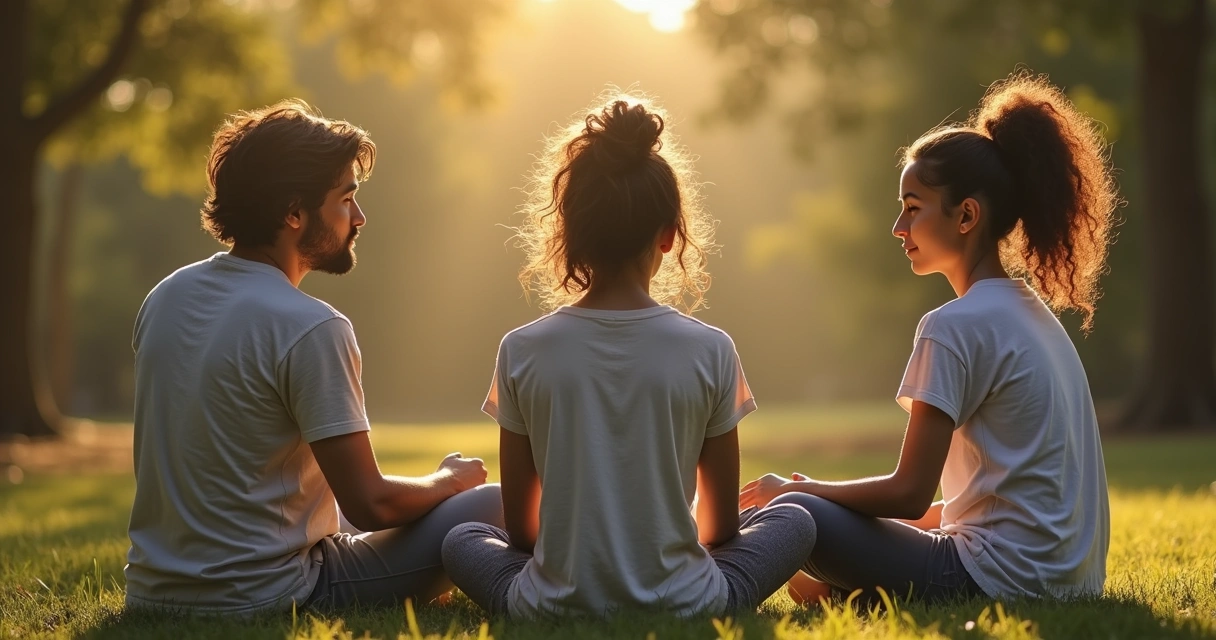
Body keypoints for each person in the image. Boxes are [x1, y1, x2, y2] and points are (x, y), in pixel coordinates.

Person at [740, 71, 1117, 605]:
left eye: (913, 208)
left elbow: (908, 491)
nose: (898, 227)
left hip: (994, 581)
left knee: (794, 516)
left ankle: (718, 585)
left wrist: (801, 493)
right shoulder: (1035, 317)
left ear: (966, 215)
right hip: (1066, 583)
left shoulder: (953, 326)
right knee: (812, 531)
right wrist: (830, 499)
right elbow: (960, 507)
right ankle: (844, 592)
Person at [440, 95, 817, 619]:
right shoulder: (712, 349)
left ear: (570, 232)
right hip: (690, 602)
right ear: (668, 235)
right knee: (796, 520)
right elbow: (721, 528)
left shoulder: (521, 349)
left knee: (463, 536)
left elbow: (523, 531)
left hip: (549, 605)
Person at [124, 99, 502, 614]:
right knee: (491, 502)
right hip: (269, 592)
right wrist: (447, 481)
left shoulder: (165, 297)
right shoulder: (312, 325)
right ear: (294, 212)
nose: (360, 216)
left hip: (152, 590)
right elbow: (370, 504)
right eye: (346, 199)